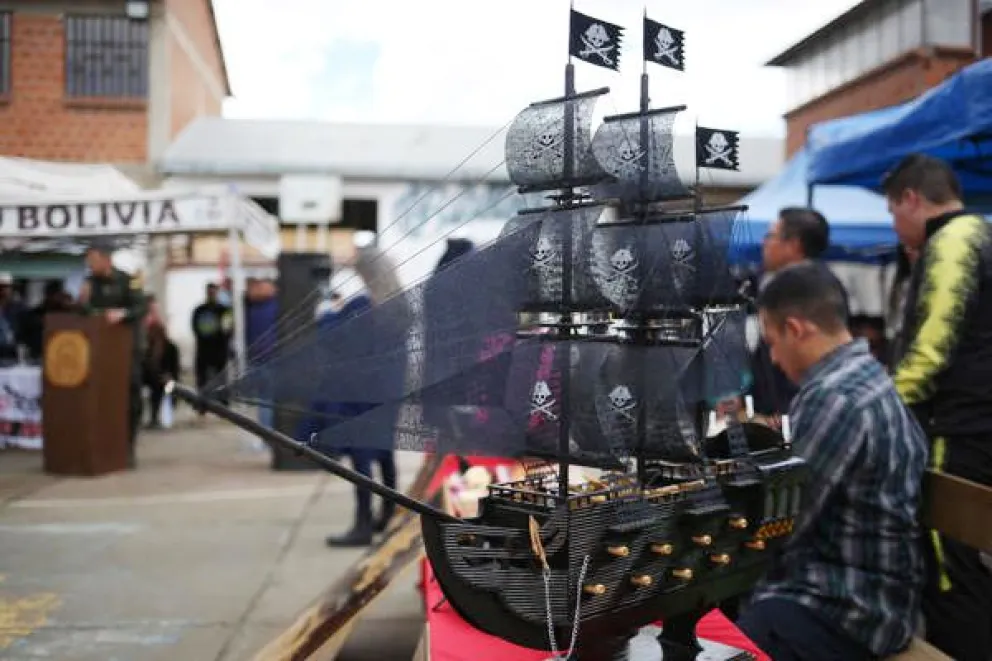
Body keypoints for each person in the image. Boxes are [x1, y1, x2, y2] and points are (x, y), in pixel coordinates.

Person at [737, 261, 929, 660]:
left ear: (796, 328)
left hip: (852, 609)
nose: (772, 359)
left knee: (725, 623)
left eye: (772, 342)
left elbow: (786, 520)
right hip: (878, 596)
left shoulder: (834, 397)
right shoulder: (866, 374)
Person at [882, 153, 992, 661]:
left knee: (951, 574)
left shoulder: (952, 241)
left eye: (892, 211)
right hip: (975, 423)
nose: (894, 224)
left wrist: (880, 408)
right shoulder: (981, 233)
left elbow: (932, 346)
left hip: (957, 429)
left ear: (910, 198)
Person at [749, 207, 831, 417]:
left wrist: (787, 411)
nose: (764, 243)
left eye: (770, 236)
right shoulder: (776, 283)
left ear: (793, 244)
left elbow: (808, 354)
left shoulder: (814, 291)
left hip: (796, 413)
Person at [78, 240, 147, 467]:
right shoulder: (90, 284)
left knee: (130, 397)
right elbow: (83, 313)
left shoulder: (128, 280)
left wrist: (123, 314)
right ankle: (103, 447)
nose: (90, 265)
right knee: (101, 398)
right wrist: (85, 302)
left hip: (127, 349)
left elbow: (141, 307)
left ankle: (128, 446)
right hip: (100, 350)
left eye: (93, 260)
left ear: (106, 259)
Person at [190, 283, 233, 415]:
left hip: (220, 349)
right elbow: (196, 328)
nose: (212, 294)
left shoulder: (224, 310)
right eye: (210, 292)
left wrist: (221, 339)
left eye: (214, 292)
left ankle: (223, 405)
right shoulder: (199, 310)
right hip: (204, 349)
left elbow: (229, 329)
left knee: (221, 378)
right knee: (202, 379)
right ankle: (202, 404)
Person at [18, 280, 72, 362]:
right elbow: (24, 339)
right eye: (54, 295)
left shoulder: (67, 313)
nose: (56, 298)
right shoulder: (33, 315)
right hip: (37, 356)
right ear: (48, 295)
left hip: (62, 355)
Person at [142, 321, 180, 428]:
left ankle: (161, 417)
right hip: (152, 378)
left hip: (167, 379)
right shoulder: (148, 348)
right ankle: (154, 417)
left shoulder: (171, 347)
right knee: (155, 388)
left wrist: (168, 376)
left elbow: (174, 368)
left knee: (165, 389)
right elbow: (144, 367)